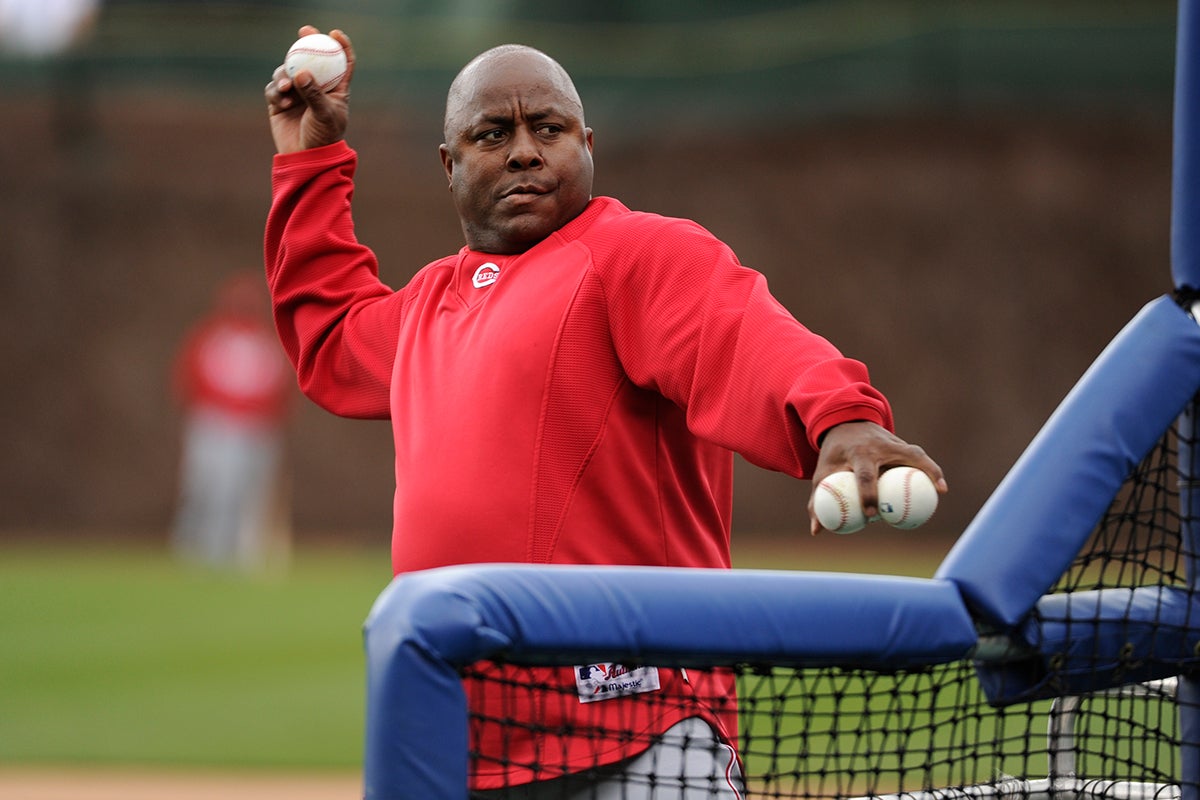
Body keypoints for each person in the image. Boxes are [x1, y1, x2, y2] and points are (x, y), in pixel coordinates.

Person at [264, 26, 947, 798]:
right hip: (468, 745)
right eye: (494, 134)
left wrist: (841, 418)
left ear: (587, 143)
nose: (525, 151)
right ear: (450, 166)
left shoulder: (634, 254)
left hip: (636, 729)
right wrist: (310, 160)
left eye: (547, 129)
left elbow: (743, 332)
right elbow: (329, 335)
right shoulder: (429, 304)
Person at [171, 272, 293, 571]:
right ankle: (195, 549)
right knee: (207, 488)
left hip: (257, 428)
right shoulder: (211, 336)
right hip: (215, 424)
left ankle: (240, 553)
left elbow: (281, 388)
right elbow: (190, 378)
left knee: (251, 493)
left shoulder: (267, 341)